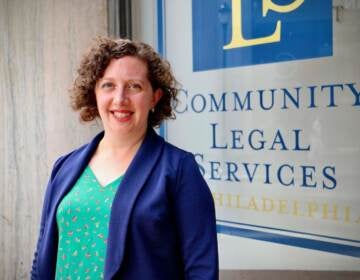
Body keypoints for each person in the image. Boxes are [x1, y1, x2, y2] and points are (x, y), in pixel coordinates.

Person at [31, 37, 218, 280]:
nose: (120, 99)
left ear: (155, 97)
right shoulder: (64, 167)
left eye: (134, 86)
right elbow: (42, 257)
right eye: (108, 85)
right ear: (94, 93)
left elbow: (201, 270)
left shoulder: (179, 170)